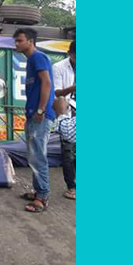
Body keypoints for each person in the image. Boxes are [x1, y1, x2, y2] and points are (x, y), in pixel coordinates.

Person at [14, 28, 56, 213]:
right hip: (34, 114)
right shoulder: (32, 60)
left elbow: (46, 83)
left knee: (38, 156)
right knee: (33, 154)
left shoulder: (38, 58)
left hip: (40, 115)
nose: (16, 44)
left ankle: (42, 197)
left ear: (30, 41)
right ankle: (38, 190)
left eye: (20, 40)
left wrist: (40, 110)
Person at [53, 41, 76, 200]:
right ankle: (72, 187)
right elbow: (57, 92)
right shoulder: (59, 67)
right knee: (68, 152)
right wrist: (73, 88)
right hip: (67, 112)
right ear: (71, 54)